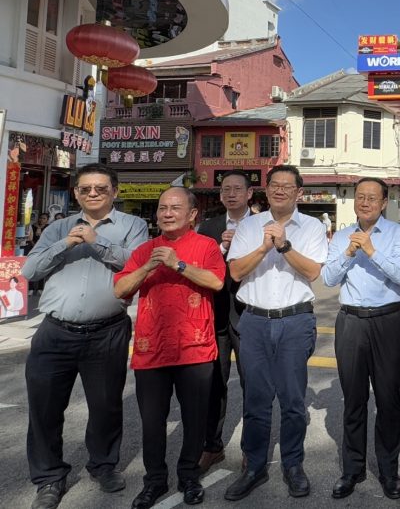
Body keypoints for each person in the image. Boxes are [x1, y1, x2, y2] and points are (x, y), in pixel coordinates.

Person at [21, 164, 148, 509]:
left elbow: (138, 264)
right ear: (76, 192)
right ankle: (49, 478)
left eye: (101, 188)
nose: (93, 193)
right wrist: (66, 242)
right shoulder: (59, 227)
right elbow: (30, 270)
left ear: (115, 191)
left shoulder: (132, 225)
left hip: (107, 331)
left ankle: (103, 465)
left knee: (105, 405)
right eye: (86, 188)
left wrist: (97, 242)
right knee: (45, 408)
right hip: (54, 332)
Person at [114, 187, 225, 509]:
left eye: (175, 208)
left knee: (194, 418)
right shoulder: (145, 249)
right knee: (152, 421)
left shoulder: (206, 246)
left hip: (195, 348)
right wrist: (148, 266)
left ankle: (189, 475)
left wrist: (178, 265)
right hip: (151, 349)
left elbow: (216, 282)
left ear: (192, 215)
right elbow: (120, 288)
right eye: (162, 208)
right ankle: (155, 480)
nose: (167, 213)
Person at [223, 165, 328, 501]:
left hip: (295, 321)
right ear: (266, 190)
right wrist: (263, 247)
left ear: (299, 193)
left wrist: (283, 246)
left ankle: (293, 464)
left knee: (293, 401)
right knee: (255, 400)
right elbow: (236, 271)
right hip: (253, 320)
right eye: (274, 185)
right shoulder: (249, 225)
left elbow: (313, 272)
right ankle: (253, 466)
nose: (280, 190)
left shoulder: (311, 227)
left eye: (288, 186)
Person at [321, 177, 400, 500]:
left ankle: (389, 471)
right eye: (360, 197)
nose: (365, 202)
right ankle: (352, 469)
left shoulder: (398, 234)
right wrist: (348, 251)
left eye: (372, 198)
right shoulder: (343, 235)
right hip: (350, 322)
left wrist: (372, 251)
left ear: (384, 202)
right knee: (353, 400)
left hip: (388, 321)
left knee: (388, 399)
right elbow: (329, 278)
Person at [196, 170, 253, 472]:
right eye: (226, 189)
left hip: (249, 316)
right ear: (220, 196)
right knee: (213, 384)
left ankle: (250, 449)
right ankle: (211, 446)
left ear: (249, 194)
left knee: (251, 384)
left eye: (237, 189)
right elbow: (199, 268)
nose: (231, 194)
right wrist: (221, 249)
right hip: (214, 316)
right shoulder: (208, 227)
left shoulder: (262, 225)